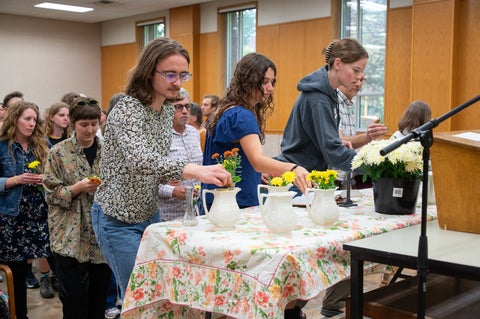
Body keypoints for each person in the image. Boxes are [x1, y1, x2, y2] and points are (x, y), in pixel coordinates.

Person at [91, 37, 232, 300]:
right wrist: (193, 169)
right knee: (140, 297)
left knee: (159, 295)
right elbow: (141, 161)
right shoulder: (128, 109)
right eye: (169, 74)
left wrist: (204, 171)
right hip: (116, 220)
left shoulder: (166, 110)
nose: (177, 82)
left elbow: (159, 167)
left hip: (149, 214)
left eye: (182, 75)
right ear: (148, 72)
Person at [276, 38, 369, 318]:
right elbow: (333, 153)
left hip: (307, 184)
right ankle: (288, 311)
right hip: (299, 184)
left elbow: (330, 144)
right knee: (304, 259)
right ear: (337, 65)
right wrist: (374, 164)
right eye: (356, 70)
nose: (359, 77)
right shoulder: (318, 98)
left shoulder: (324, 94)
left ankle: (292, 310)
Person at [43, 96, 111, 319]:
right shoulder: (58, 153)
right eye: (84, 125)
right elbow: (51, 194)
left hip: (100, 236)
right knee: (73, 302)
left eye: (94, 124)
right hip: (69, 238)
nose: (90, 130)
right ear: (72, 124)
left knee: (97, 301)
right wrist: (77, 188)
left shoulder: (107, 152)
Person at [0, 101, 51, 319]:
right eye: (26, 119)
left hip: (40, 215)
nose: (31, 124)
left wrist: (44, 180)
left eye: (34, 119)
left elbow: (54, 178)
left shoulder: (42, 144)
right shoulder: (3, 146)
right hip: (12, 218)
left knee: (56, 262)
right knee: (18, 274)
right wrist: (15, 180)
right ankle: (20, 315)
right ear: (14, 119)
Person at [158, 91, 203, 222]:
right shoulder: (159, 136)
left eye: (187, 106)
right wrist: (172, 191)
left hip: (194, 212)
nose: (184, 111)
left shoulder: (194, 133)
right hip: (167, 215)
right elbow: (147, 181)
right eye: (178, 107)